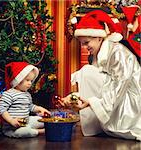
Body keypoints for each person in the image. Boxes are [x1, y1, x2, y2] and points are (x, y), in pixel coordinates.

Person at [60, 10, 141, 141]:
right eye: (82, 43)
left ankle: (101, 124)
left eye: (86, 42)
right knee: (87, 71)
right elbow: (102, 82)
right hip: (115, 96)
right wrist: (75, 97)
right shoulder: (97, 56)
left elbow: (119, 87)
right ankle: (95, 125)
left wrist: (91, 102)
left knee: (87, 71)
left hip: (132, 100)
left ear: (99, 37)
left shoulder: (118, 52)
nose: (84, 47)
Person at [0, 62, 51, 138]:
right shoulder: (8, 94)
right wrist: (11, 120)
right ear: (18, 80)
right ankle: (40, 131)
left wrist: (40, 109)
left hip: (25, 122)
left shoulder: (27, 94)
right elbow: (2, 109)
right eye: (27, 80)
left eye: (31, 81)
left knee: (40, 120)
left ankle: (35, 127)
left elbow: (30, 107)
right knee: (25, 132)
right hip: (12, 128)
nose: (30, 83)